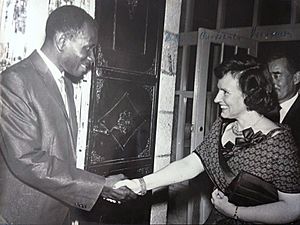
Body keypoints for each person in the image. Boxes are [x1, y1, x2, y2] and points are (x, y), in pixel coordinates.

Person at [114, 55, 300, 224]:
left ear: (249, 95)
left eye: (225, 92)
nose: (217, 98)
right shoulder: (222, 126)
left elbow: (292, 208)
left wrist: (235, 212)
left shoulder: (280, 144)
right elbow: (191, 164)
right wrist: (141, 184)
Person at [0, 5, 136, 225]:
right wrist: (99, 187)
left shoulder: (65, 83)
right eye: (88, 48)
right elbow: (27, 161)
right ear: (62, 41)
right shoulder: (15, 81)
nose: (92, 58)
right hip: (24, 216)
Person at [267, 53, 300, 150]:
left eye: (277, 76)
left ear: (296, 78)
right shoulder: (263, 110)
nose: (271, 83)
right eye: (269, 77)